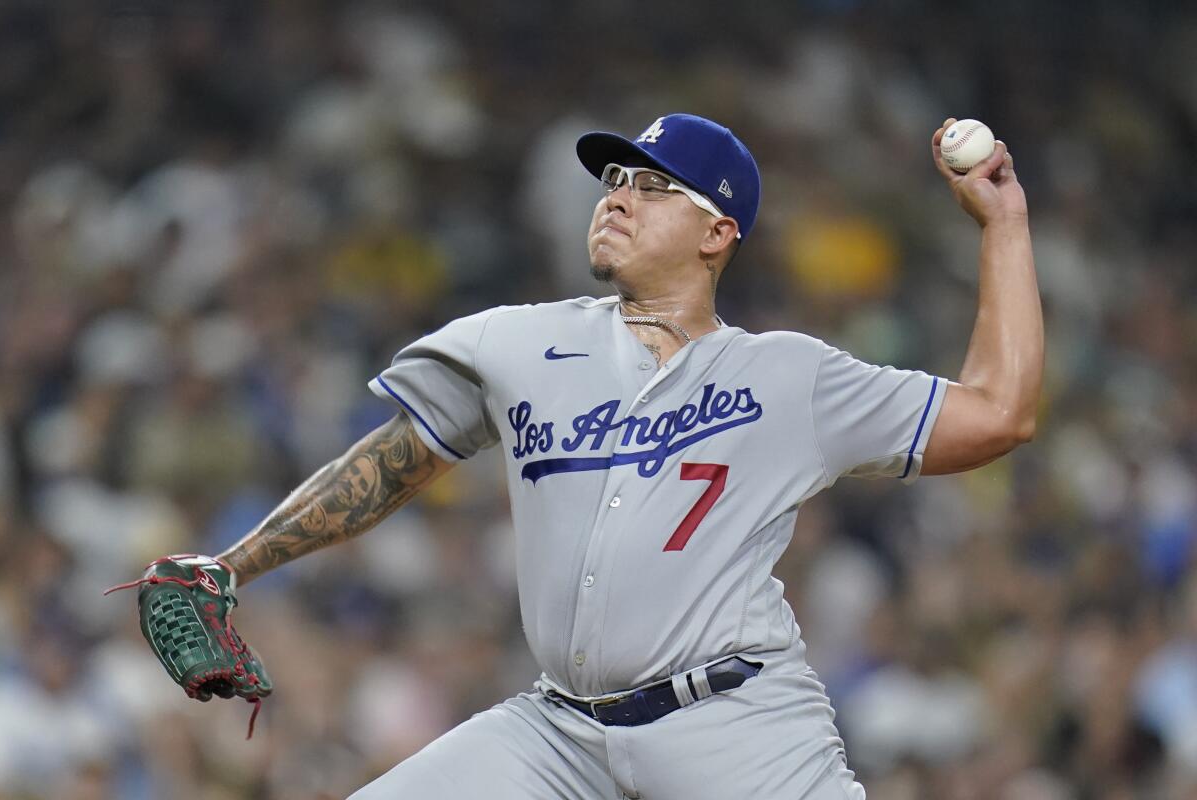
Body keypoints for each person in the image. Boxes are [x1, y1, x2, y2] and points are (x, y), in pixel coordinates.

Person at [214, 112, 1041, 798]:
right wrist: (231, 567)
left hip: (735, 726)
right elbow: (387, 467)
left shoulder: (791, 376)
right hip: (558, 732)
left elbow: (1000, 413)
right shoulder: (520, 343)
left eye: (653, 187)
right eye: (614, 182)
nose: (618, 198)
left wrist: (1003, 224)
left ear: (718, 231)